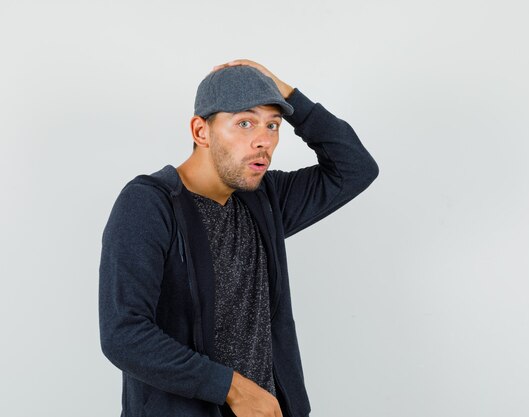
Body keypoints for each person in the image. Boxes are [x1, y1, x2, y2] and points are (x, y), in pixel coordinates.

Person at [99, 59, 378, 417]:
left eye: (273, 125)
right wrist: (230, 388)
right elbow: (123, 334)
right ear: (201, 131)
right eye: (245, 123)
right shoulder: (149, 204)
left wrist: (287, 94)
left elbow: (355, 167)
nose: (264, 140)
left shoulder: (265, 199)